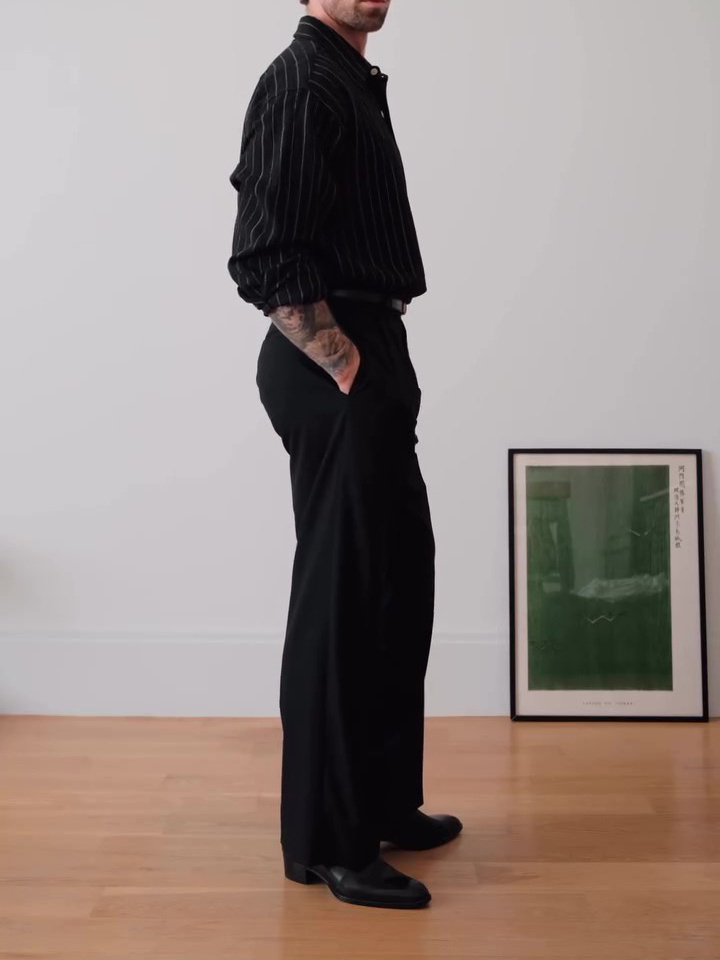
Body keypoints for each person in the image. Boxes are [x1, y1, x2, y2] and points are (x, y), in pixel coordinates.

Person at [226, 0, 462, 910]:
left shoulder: (350, 79)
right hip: (332, 358)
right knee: (343, 598)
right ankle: (329, 841)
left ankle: (384, 801)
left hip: (371, 347)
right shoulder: (302, 81)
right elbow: (265, 253)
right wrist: (343, 362)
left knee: (399, 580)